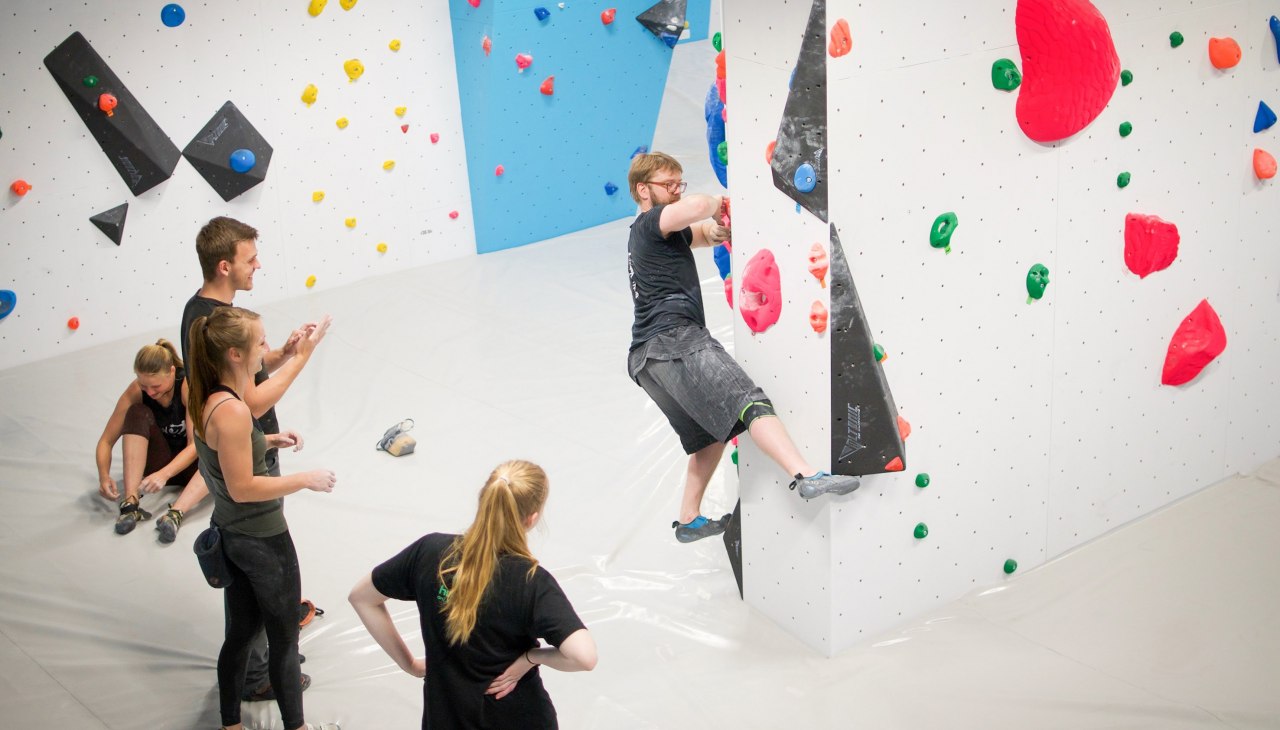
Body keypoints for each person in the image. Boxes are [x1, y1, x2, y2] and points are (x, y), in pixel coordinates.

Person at [625, 152, 861, 544]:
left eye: (679, 184)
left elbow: (702, 234)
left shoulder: (659, 234)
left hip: (646, 360)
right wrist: (720, 202)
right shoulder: (651, 222)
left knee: (711, 432)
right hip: (675, 339)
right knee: (750, 403)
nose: (676, 191)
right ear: (643, 190)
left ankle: (688, 519)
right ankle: (806, 475)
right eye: (668, 185)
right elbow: (696, 209)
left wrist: (719, 230)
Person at [178, 215, 331, 701]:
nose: (257, 265)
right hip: (246, 454)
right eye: (250, 258)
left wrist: (282, 352)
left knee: (255, 570)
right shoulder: (206, 319)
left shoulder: (210, 315)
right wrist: (303, 357)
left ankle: (268, 653)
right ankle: (258, 671)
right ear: (225, 266)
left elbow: (245, 370)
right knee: (257, 563)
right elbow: (251, 402)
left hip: (254, 445)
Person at [349, 460, 597, 730]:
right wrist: (530, 657)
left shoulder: (429, 552)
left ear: (484, 500)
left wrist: (409, 664)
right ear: (531, 519)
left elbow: (362, 598)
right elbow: (584, 656)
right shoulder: (531, 582)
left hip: (445, 718)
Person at [187, 306, 338, 730]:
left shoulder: (207, 396)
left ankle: (230, 723)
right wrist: (304, 479)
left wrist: (266, 440)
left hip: (230, 532)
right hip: (262, 539)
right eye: (260, 343)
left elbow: (227, 447)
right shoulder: (233, 411)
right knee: (284, 640)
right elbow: (243, 487)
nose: (266, 349)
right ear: (235, 355)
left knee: (240, 635)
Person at [94, 339, 207, 541]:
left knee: (216, 450)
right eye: (144, 386)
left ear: (172, 372)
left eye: (156, 386)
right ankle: (130, 503)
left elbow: (195, 445)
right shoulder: (136, 390)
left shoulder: (187, 386)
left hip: (191, 468)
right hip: (156, 465)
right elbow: (106, 441)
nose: (151, 392)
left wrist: (164, 474)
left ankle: (176, 513)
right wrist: (103, 475)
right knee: (136, 412)